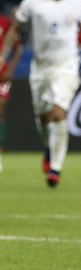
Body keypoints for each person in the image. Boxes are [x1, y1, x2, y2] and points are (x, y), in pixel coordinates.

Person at [0, 0, 81, 187]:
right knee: (45, 118)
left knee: (58, 113)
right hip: (40, 68)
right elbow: (14, 31)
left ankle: (55, 169)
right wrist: (2, 56)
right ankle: (49, 148)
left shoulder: (78, 4)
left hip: (66, 66)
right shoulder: (32, 2)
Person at [0, 12, 23, 172]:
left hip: (2, 73)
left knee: (0, 108)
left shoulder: (5, 22)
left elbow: (17, 49)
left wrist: (11, 69)